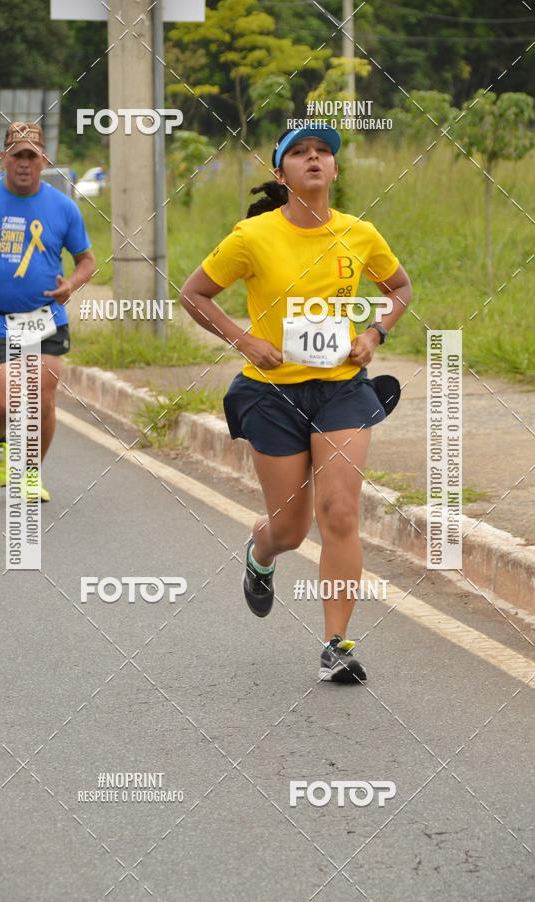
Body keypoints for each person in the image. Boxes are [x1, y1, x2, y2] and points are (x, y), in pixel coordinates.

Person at [180, 126, 412, 684]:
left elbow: (400, 288)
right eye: (300, 153)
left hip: (342, 389)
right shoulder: (252, 236)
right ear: (281, 175)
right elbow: (193, 294)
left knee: (340, 511)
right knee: (290, 530)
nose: (314, 159)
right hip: (272, 393)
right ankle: (261, 555)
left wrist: (375, 334)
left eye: (323, 152)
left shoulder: (360, 234)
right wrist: (246, 341)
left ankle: (336, 643)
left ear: (334, 171)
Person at [0, 122, 96, 500]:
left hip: (46, 316)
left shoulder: (63, 207)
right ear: (3, 159)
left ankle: (30, 473)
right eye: (17, 156)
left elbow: (87, 260)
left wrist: (70, 285)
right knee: (6, 402)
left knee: (43, 398)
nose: (24, 163)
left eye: (31, 156)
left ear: (44, 160)